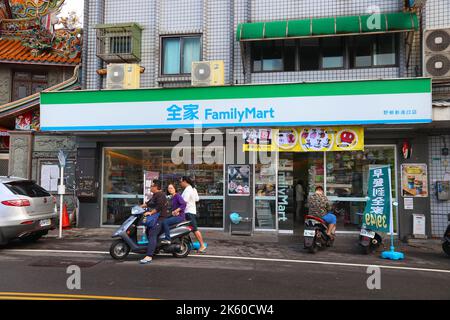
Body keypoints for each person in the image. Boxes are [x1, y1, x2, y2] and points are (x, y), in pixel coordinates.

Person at [139, 179, 168, 264]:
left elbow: (159, 207)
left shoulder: (161, 195)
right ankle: (155, 249)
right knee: (148, 231)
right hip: (154, 218)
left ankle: (149, 256)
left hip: (159, 219)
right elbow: (147, 204)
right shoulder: (155, 195)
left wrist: (150, 212)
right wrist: (137, 208)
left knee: (152, 233)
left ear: (156, 187)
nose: (150, 187)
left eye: (152, 186)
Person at [181, 176, 207, 253]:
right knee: (187, 229)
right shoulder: (193, 188)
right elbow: (197, 199)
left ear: (185, 181)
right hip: (192, 211)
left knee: (194, 229)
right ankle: (186, 244)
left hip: (188, 212)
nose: (180, 183)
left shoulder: (188, 189)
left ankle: (202, 245)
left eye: (181, 181)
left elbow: (184, 201)